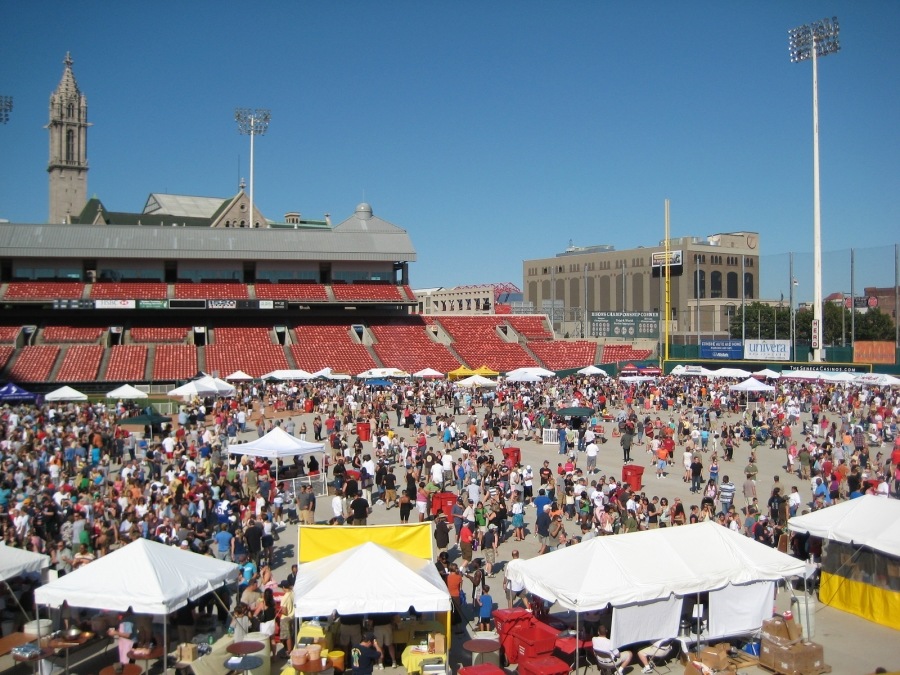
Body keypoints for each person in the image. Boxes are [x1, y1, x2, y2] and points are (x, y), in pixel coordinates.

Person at [278, 580, 295, 655]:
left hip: (285, 618)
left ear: (284, 587)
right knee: (291, 634)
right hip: (292, 616)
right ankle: (291, 648)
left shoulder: (284, 598)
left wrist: (280, 610)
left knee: (286, 636)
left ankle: (289, 651)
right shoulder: (292, 593)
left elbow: (285, 611)